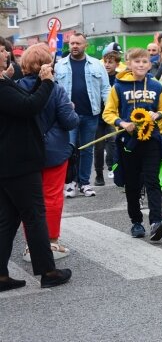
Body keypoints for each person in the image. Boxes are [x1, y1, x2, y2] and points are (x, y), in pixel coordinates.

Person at [0, 56, 72, 291]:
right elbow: (29, 106)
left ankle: (1, 275)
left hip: (10, 160)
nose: (7, 55)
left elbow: (24, 101)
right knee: (35, 215)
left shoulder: (5, 81)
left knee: (8, 220)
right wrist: (47, 82)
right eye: (1, 51)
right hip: (18, 161)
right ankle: (48, 272)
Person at [17, 45, 79, 261]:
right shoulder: (56, 89)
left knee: (29, 199)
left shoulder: (15, 87)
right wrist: (71, 108)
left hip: (24, 151)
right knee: (52, 197)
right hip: (54, 152)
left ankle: (30, 245)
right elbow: (70, 122)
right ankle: (51, 241)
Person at [103, 48, 162, 241]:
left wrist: (157, 115)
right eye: (137, 62)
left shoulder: (157, 87)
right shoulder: (118, 87)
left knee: (152, 181)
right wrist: (122, 123)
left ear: (150, 64)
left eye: (144, 62)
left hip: (152, 140)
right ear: (129, 64)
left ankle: (156, 222)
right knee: (131, 184)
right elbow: (108, 113)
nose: (141, 65)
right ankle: (136, 222)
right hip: (128, 142)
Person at [56, 33, 110, 198]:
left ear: (85, 45)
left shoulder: (96, 64)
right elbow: (55, 89)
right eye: (72, 43)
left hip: (91, 114)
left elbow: (105, 89)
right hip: (68, 115)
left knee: (87, 150)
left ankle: (85, 183)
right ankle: (70, 183)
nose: (74, 46)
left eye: (78, 43)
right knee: (70, 150)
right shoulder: (60, 65)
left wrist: (110, 110)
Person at [93, 48, 121, 186]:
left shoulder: (119, 78)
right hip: (98, 114)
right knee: (98, 146)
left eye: (111, 62)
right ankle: (99, 174)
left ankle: (112, 166)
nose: (107, 65)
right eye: (105, 62)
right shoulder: (98, 76)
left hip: (113, 115)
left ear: (117, 64)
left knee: (113, 141)